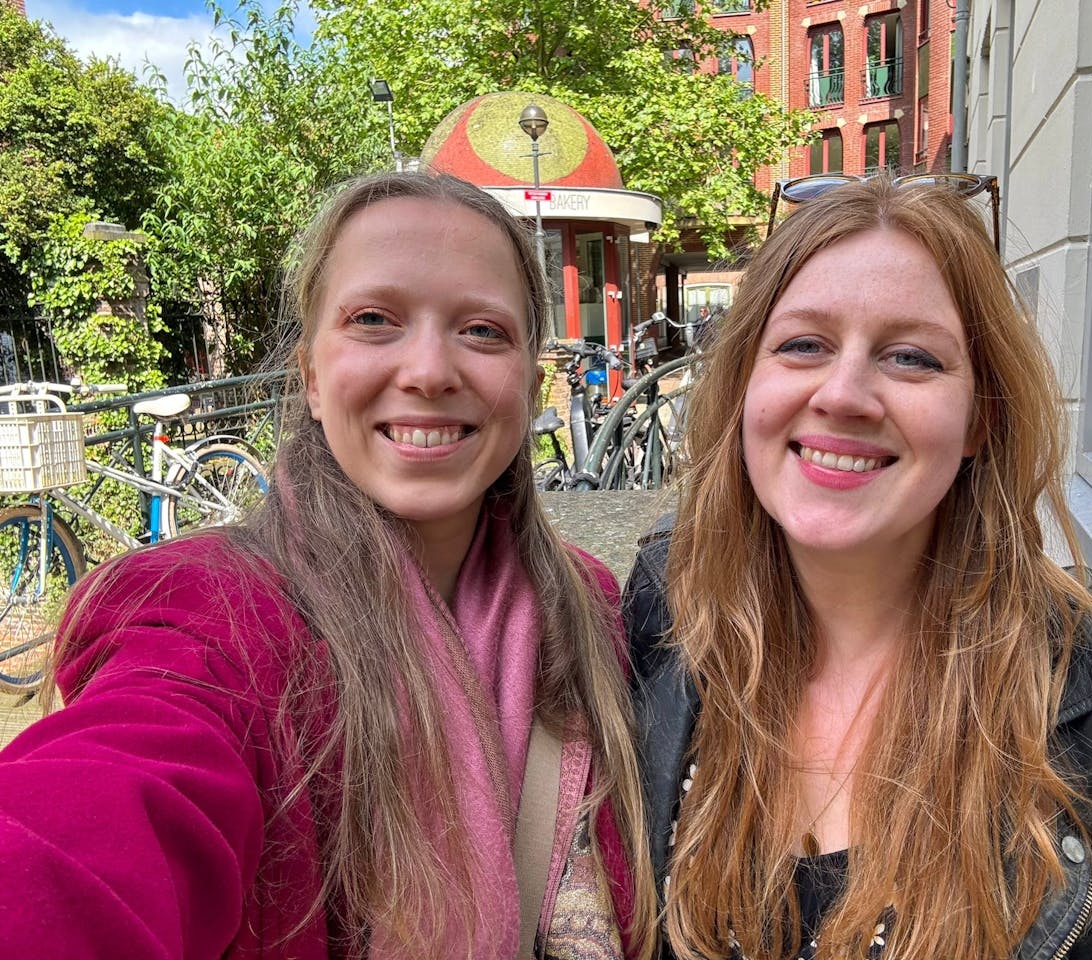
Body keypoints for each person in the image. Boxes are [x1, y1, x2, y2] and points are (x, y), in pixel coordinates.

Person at [0, 171, 654, 959]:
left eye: (482, 331)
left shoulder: (592, 606)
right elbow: (81, 831)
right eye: (374, 319)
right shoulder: (210, 622)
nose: (427, 371)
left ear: (530, 383)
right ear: (310, 377)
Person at [624, 177, 1092, 960]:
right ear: (745, 382)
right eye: (803, 344)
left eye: (911, 357)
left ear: (978, 419)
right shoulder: (669, 604)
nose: (845, 393)